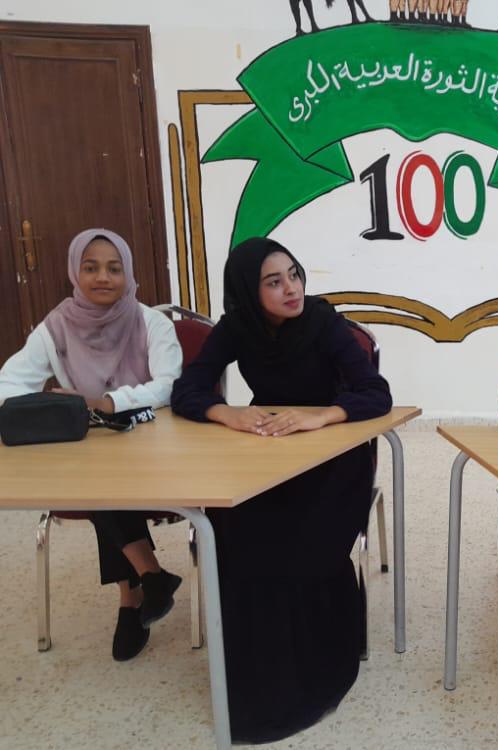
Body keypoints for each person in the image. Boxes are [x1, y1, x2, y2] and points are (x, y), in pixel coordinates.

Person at [170, 237, 392, 744]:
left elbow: (375, 394)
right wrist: (227, 413)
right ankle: (252, 675)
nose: (292, 288)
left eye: (294, 274)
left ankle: (312, 667)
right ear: (249, 292)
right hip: (267, 451)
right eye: (274, 281)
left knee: (298, 538)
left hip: (333, 455)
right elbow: (189, 389)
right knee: (234, 525)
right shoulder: (237, 327)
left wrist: (323, 415)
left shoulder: (323, 322)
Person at [0, 228, 183, 661]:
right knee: (96, 476)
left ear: (128, 273)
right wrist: (44, 406)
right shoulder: (56, 327)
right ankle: (148, 576)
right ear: (74, 272)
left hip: (157, 446)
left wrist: (105, 402)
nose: (103, 277)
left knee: (100, 484)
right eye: (91, 267)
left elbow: (168, 386)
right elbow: (9, 383)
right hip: (91, 447)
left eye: (114, 268)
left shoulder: (151, 323)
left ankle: (132, 595)